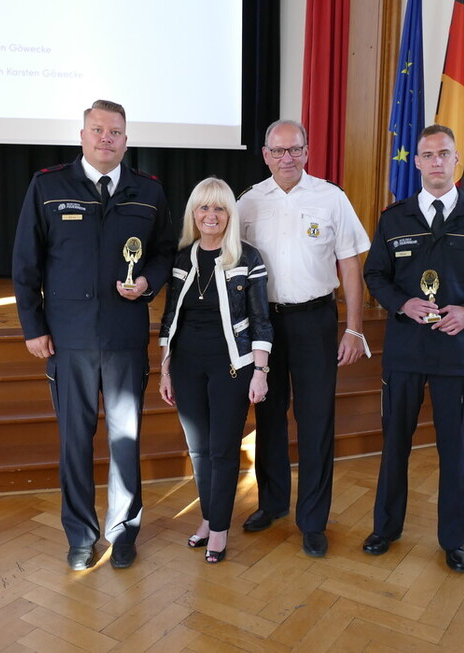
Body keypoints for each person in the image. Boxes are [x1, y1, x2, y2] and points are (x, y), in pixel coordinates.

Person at [11, 99, 176, 571]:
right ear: (82, 135)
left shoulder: (148, 191)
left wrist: (148, 282)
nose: (107, 138)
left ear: (127, 139)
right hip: (69, 340)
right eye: (98, 130)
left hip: (125, 337)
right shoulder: (48, 185)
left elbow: (165, 252)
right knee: (75, 442)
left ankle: (123, 532)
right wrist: (33, 326)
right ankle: (80, 535)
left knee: (126, 439)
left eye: (116, 132)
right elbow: (26, 263)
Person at [361, 124, 464, 572]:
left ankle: (453, 540)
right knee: (394, 446)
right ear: (417, 162)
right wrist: (401, 303)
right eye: (427, 155)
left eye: (444, 154)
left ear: (456, 161)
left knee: (454, 450)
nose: (435, 162)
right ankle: (385, 529)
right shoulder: (394, 218)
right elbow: (375, 276)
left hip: (456, 353)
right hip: (405, 352)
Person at [236, 119, 371, 558]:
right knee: (269, 418)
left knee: (315, 422)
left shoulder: (331, 198)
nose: (287, 158)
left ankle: (312, 520)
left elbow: (350, 265)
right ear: (265, 154)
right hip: (265, 326)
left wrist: (354, 327)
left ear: (307, 152)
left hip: (315, 320)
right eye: (278, 151)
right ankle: (272, 504)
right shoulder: (249, 203)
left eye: (295, 150)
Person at [158, 177, 273, 564]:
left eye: (219, 208)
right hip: (187, 365)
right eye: (204, 207)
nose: (211, 215)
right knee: (198, 450)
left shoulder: (248, 258)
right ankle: (209, 519)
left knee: (223, 450)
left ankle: (220, 529)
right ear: (194, 213)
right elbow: (169, 317)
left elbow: (261, 319)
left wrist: (260, 370)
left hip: (233, 367)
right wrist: (165, 369)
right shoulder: (181, 258)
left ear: (230, 215)